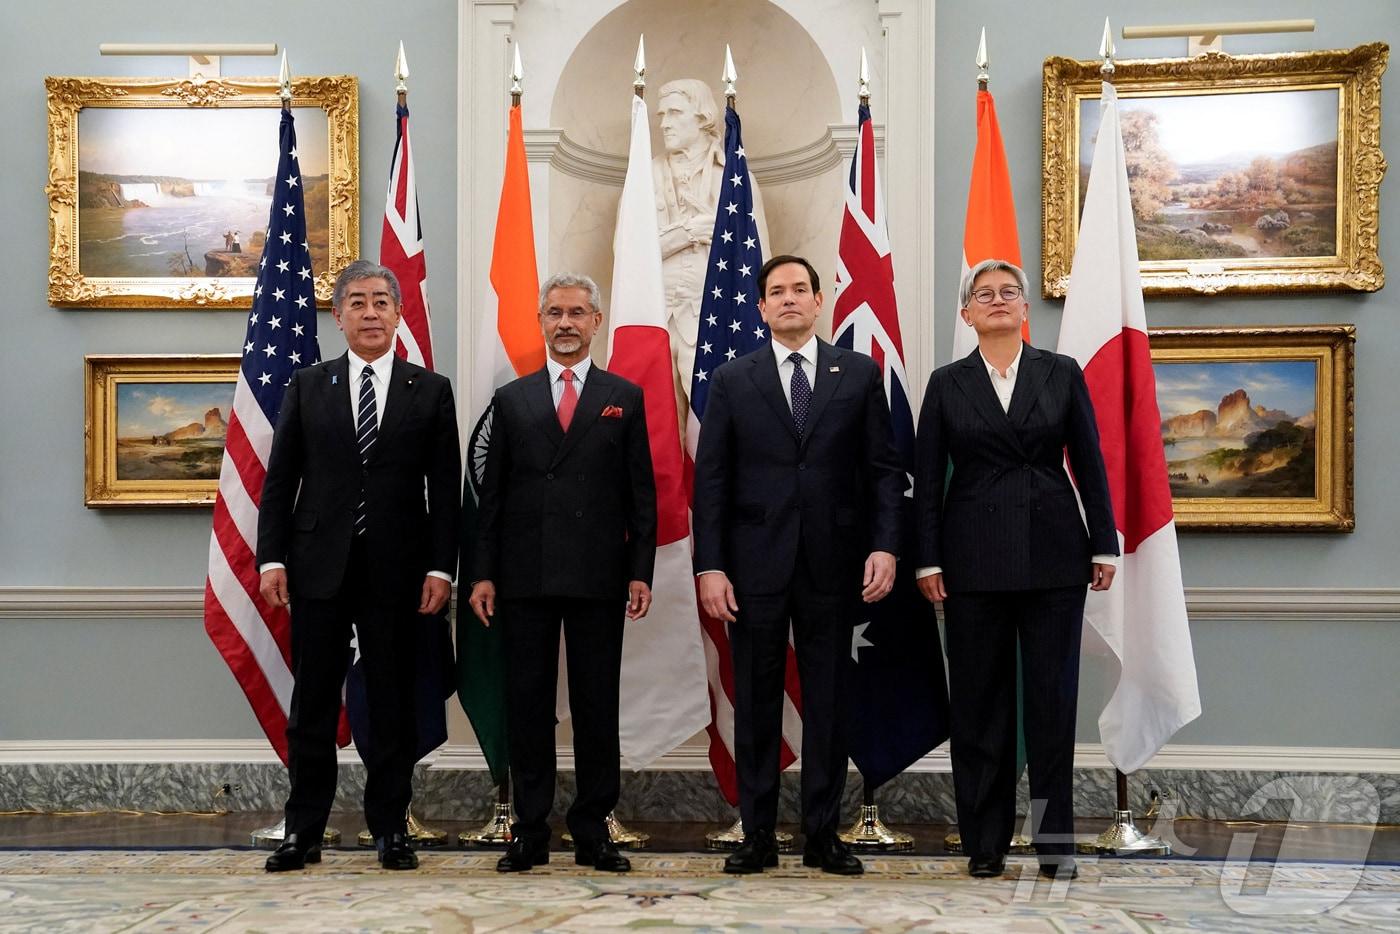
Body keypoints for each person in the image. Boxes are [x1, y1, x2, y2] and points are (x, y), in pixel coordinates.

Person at [691, 254, 904, 876]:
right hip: (752, 569)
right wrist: (710, 566)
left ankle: (822, 836)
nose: (789, 299)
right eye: (777, 291)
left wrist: (885, 546)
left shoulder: (858, 374)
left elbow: (883, 472)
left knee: (829, 705)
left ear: (818, 301)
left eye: (800, 289)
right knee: (756, 702)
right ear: (761, 308)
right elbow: (712, 482)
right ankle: (757, 835)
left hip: (834, 565)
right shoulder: (732, 379)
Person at [913, 258, 1119, 881]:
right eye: (985, 294)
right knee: (980, 707)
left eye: (1009, 292)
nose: (998, 300)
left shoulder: (1061, 372)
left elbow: (1089, 460)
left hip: (1055, 557)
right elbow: (928, 481)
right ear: (967, 312)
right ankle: (985, 843)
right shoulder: (946, 384)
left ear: (1026, 309)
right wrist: (927, 557)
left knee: (1052, 706)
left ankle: (1055, 844)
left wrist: (1103, 545)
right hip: (971, 562)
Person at [257, 260, 461, 872]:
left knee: (392, 701)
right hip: (317, 566)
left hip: (399, 571)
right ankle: (304, 831)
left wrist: (441, 568)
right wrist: (272, 558)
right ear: (338, 315)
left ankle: (390, 830)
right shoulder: (307, 385)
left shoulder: (431, 390)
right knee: (313, 704)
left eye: (380, 302)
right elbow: (280, 481)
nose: (370, 312)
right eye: (357, 302)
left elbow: (445, 490)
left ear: (398, 313)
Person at [468, 272, 657, 875]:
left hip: (600, 576)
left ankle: (593, 828)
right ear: (541, 322)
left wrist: (640, 570)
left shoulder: (624, 396)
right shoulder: (512, 399)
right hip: (524, 576)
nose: (566, 323)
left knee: (597, 705)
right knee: (528, 706)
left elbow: (642, 495)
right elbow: (492, 498)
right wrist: (483, 573)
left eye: (577, 312)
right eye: (555, 313)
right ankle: (529, 830)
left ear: (596, 321)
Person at [652, 78, 769, 421]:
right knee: (655, 426)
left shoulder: (735, 177)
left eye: (675, 113)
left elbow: (759, 260)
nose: (664, 123)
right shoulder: (644, 176)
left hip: (719, 318)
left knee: (720, 421)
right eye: (661, 115)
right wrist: (689, 231)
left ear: (703, 117)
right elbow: (628, 252)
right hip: (655, 316)